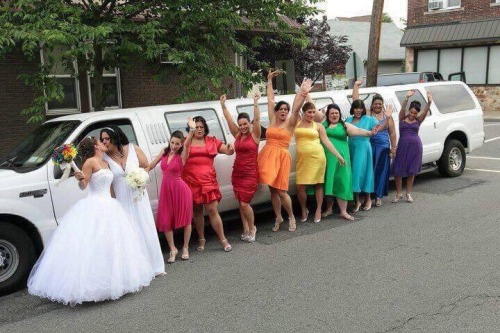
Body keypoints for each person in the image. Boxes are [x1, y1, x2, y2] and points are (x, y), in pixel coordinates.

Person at [28, 137, 155, 306]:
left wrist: (117, 200)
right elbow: (84, 186)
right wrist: (79, 178)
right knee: (94, 245)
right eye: (101, 142)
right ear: (96, 146)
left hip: (110, 206)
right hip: (94, 205)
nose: (104, 143)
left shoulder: (106, 163)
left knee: (112, 244)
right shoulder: (89, 162)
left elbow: (110, 187)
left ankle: (115, 281)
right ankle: (93, 287)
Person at [100, 127, 165, 275]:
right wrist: (113, 202)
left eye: (106, 138)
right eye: (102, 139)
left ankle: (154, 266)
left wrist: (141, 179)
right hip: (121, 199)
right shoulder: (105, 158)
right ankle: (137, 269)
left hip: (138, 196)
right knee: (129, 231)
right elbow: (109, 183)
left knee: (144, 226)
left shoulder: (133, 148)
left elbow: (146, 166)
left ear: (115, 138)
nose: (104, 141)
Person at [290, 82, 346, 224]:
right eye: (309, 112)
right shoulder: (296, 122)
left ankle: (318, 210)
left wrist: (338, 155)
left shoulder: (319, 126)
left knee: (318, 184)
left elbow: (327, 142)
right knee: (300, 186)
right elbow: (294, 109)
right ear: (304, 113)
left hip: (317, 158)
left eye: (314, 112)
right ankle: (304, 209)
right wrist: (303, 93)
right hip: (302, 160)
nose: (312, 114)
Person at [182, 116, 235, 252]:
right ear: (191, 128)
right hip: (190, 181)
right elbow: (181, 152)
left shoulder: (212, 141)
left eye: (201, 127)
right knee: (197, 212)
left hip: (208, 181)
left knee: (212, 210)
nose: (199, 129)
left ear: (205, 128)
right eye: (196, 127)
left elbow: (228, 151)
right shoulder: (186, 141)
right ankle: (201, 238)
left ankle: (223, 239)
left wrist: (231, 148)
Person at [319, 104, 379, 221]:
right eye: (332, 113)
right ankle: (329, 208)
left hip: (342, 158)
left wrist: (370, 133)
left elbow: (358, 131)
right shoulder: (323, 125)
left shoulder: (344, 125)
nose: (334, 115)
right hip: (327, 158)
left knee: (343, 182)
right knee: (329, 182)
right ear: (327, 114)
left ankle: (343, 211)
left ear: (340, 114)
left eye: (336, 113)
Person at [257, 69, 297, 232]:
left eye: (285, 110)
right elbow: (270, 99)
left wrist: (301, 93)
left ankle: (291, 217)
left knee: (281, 191)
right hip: (268, 155)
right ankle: (278, 217)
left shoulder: (290, 123)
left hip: (281, 157)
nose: (282, 111)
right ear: (276, 111)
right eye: (280, 109)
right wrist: (269, 81)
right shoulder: (273, 119)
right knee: (272, 189)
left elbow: (296, 108)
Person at [146, 127, 194, 263]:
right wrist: (140, 174)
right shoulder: (164, 152)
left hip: (181, 191)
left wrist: (191, 130)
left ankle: (185, 247)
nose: (174, 146)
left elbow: (188, 141)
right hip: (166, 191)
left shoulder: (182, 155)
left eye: (177, 144)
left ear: (181, 144)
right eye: (172, 142)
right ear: (169, 141)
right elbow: (151, 165)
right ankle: (173, 249)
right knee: (165, 220)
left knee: (186, 220)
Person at [220, 93, 261, 242]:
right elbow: (228, 119)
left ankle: (252, 228)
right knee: (240, 203)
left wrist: (255, 103)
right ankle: (245, 228)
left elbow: (257, 119)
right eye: (241, 124)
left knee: (245, 203)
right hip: (237, 173)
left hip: (250, 174)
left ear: (249, 123)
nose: (243, 127)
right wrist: (223, 105)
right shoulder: (238, 134)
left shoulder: (255, 135)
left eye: (245, 124)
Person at [392, 90, 433, 203]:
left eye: (415, 113)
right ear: (409, 110)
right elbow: (402, 109)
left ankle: (408, 193)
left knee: (412, 171)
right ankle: (398, 193)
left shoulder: (418, 120)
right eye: (411, 112)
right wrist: (406, 98)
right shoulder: (402, 118)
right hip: (402, 146)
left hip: (415, 147)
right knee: (398, 171)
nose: (412, 115)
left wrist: (429, 102)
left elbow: (425, 111)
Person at [346, 90, 379, 212]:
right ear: (352, 109)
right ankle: (357, 200)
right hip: (351, 148)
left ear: (363, 109)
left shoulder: (369, 119)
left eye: (360, 108)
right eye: (356, 108)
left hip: (364, 149)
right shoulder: (348, 120)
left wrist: (389, 117)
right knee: (353, 173)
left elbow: (381, 127)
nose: (358, 110)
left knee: (364, 173)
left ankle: (368, 198)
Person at [367, 93, 397, 207]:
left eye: (380, 104)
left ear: (382, 105)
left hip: (383, 148)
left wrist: (393, 148)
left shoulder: (387, 116)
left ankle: (378, 196)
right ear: (372, 105)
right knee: (370, 172)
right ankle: (369, 195)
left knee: (381, 172)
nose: (378, 106)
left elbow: (392, 133)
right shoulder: (368, 114)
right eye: (375, 104)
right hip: (370, 146)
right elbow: (355, 101)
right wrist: (356, 86)